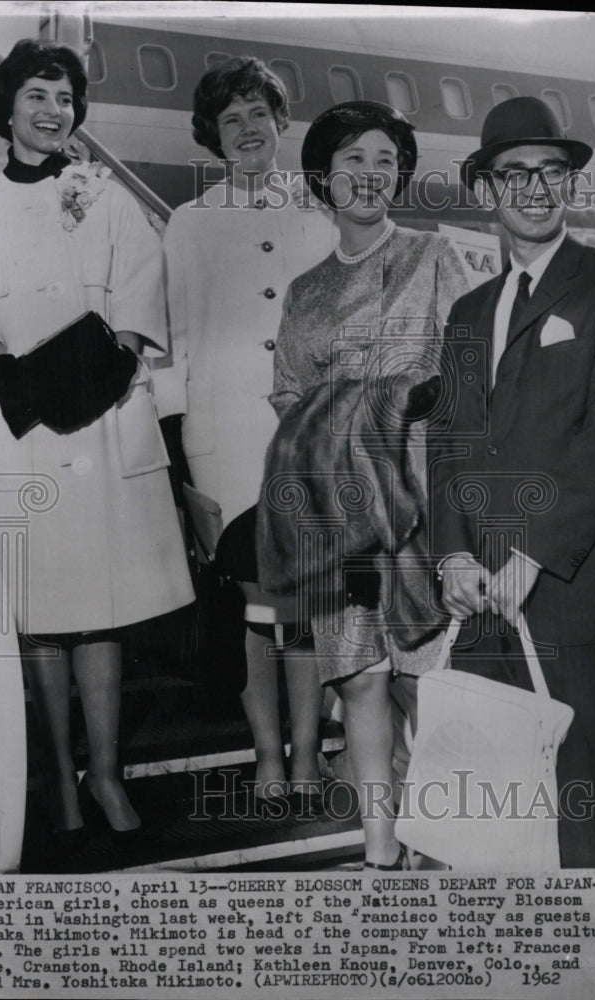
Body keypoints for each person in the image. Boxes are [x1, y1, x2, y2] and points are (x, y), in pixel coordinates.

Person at [0, 39, 195, 847]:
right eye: (39, 96)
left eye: (67, 99)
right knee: (42, 614)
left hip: (104, 421)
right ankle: (58, 771)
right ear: (7, 105)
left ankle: (106, 774)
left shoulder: (106, 196)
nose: (55, 112)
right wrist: (14, 376)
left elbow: (141, 292)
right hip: (22, 435)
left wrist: (102, 367)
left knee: (102, 614)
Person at [430, 96, 595, 867]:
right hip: (480, 595)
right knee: (491, 820)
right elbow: (448, 445)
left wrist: (533, 556)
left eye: (550, 171)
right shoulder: (465, 311)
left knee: (591, 812)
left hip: (569, 588)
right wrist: (451, 558)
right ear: (484, 190)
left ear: (569, 184)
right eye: (512, 173)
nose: (533, 188)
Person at [269, 101, 469, 868]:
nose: (369, 174)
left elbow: (467, 372)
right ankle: (379, 853)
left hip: (419, 500)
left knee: (428, 682)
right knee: (358, 684)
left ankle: (436, 843)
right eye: (352, 158)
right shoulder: (304, 290)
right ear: (323, 175)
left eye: (384, 160)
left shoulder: (433, 255)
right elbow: (287, 392)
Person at [159, 57, 336, 804]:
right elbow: (170, 341)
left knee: (295, 605)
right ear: (213, 137)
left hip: (310, 436)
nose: (246, 130)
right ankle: (273, 756)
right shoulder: (188, 224)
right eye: (230, 119)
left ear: (279, 121)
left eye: (257, 113)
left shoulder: (320, 214)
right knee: (262, 606)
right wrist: (174, 454)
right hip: (226, 442)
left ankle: (301, 756)